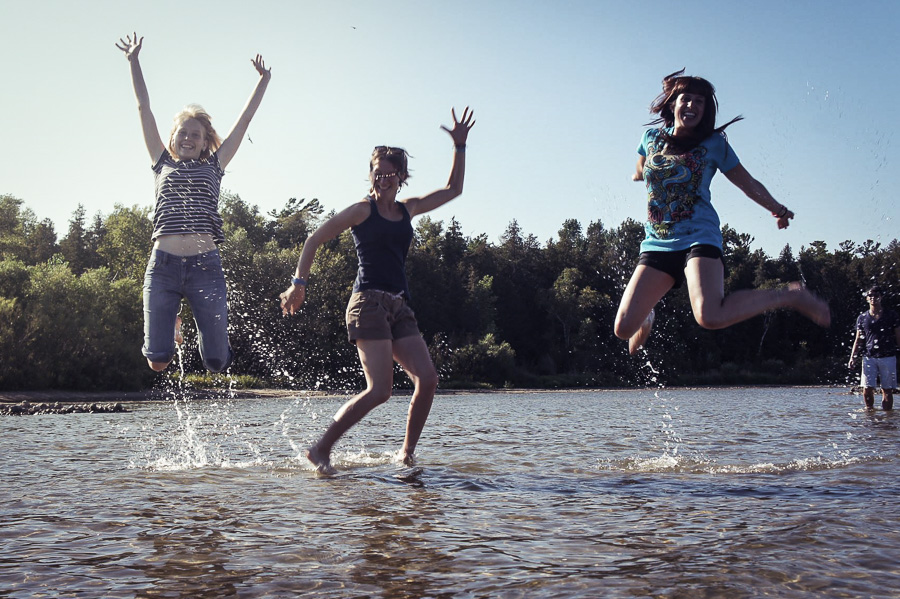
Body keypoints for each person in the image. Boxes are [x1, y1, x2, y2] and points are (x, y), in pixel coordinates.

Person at [280, 108, 475, 474]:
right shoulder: (361, 210)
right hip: (367, 302)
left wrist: (460, 147)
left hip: (400, 305)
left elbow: (454, 189)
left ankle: (405, 454)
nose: (383, 178)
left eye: (390, 173)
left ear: (401, 176)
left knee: (428, 380)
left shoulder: (408, 209)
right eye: (377, 172)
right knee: (381, 390)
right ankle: (320, 448)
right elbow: (313, 239)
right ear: (370, 175)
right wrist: (298, 283)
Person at [614, 69, 830, 355]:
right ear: (673, 103)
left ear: (706, 110)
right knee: (623, 329)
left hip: (698, 236)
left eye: (699, 102)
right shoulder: (650, 138)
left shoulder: (714, 145)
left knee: (709, 316)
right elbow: (642, 168)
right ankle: (647, 315)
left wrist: (777, 209)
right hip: (658, 241)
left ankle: (789, 296)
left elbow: (747, 182)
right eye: (686, 99)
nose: (692, 105)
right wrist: (637, 176)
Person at [116, 33, 271, 372]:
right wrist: (134, 61)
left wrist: (263, 82)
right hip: (163, 267)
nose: (188, 138)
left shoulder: (215, 165)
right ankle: (173, 324)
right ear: (172, 139)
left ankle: (203, 332)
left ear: (205, 143)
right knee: (157, 362)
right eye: (182, 133)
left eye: (196, 135)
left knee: (216, 363)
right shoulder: (161, 162)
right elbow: (144, 108)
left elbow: (244, 122)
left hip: (206, 267)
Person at [848, 286, 900, 410]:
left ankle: (887, 418)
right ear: (867, 298)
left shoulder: (891, 315)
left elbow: (898, 336)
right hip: (869, 357)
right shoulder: (862, 318)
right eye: (870, 296)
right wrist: (853, 357)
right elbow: (859, 339)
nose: (873, 298)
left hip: (888, 356)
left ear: (881, 297)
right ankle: (869, 414)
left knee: (887, 389)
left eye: (876, 296)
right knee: (867, 388)